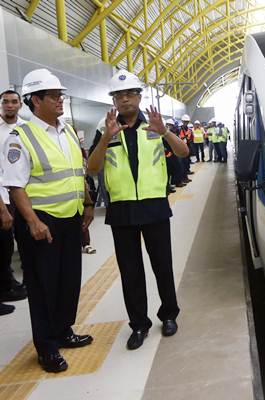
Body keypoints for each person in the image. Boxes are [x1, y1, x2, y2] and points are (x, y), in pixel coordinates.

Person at [87, 69, 188, 350]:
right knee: (130, 272)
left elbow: (183, 152)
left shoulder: (155, 124)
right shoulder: (104, 127)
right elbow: (92, 167)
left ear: (139, 96)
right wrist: (106, 138)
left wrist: (165, 131)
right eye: (119, 95)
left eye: (130, 93)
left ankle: (169, 315)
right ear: (114, 100)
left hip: (154, 205)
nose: (125, 99)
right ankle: (139, 325)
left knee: (162, 266)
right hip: (121, 209)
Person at [2, 69, 94, 372]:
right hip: (41, 223)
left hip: (70, 218)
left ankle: (64, 330)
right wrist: (32, 221)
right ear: (35, 100)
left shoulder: (66, 130)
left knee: (69, 280)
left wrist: (86, 203)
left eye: (61, 95)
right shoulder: (20, 137)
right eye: (54, 96)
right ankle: (46, 347)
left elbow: (77, 171)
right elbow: (15, 186)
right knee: (43, 286)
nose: (60, 100)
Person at [0, 90, 27, 308]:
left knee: (25, 237)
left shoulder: (26, 128)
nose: (10, 105)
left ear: (20, 104)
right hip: (3, 195)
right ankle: (5, 286)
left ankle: (17, 282)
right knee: (4, 243)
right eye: (5, 102)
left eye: (13, 102)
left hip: (24, 193)